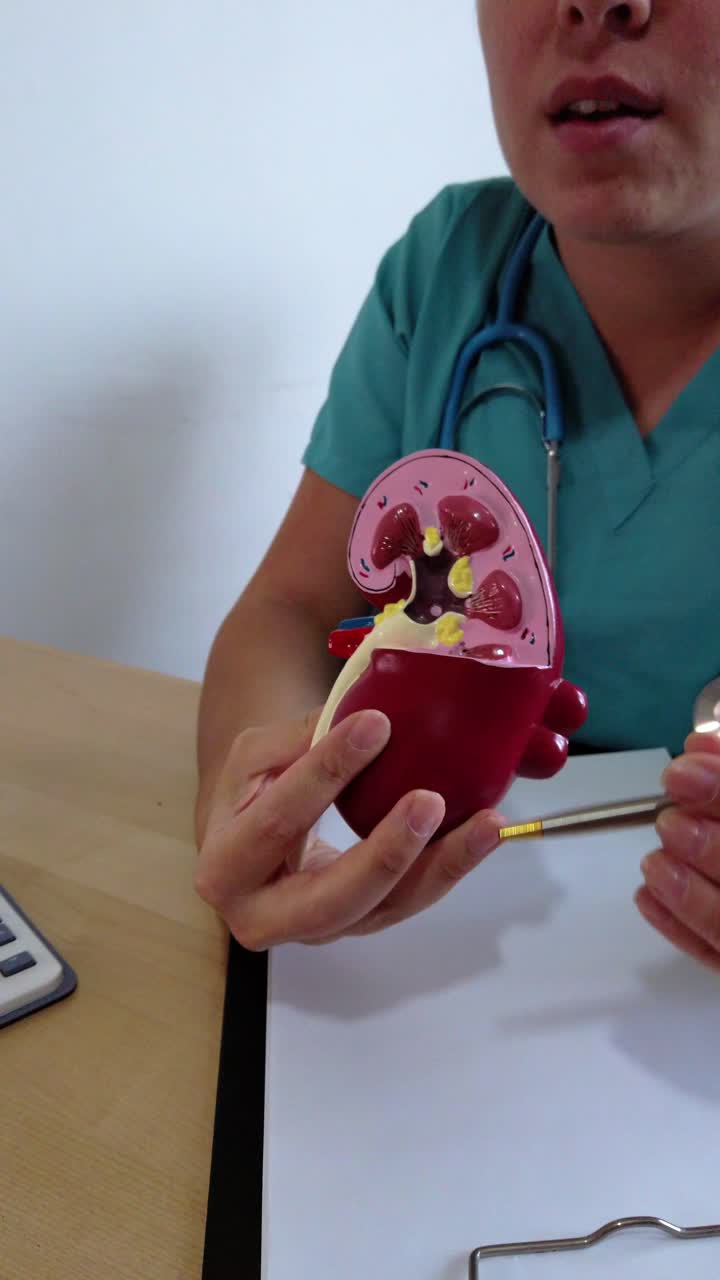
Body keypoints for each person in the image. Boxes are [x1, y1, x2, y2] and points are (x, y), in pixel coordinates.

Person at [194, 0, 720, 971]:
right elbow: (290, 605)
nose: (596, 3)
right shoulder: (446, 269)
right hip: (436, 968)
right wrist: (267, 810)